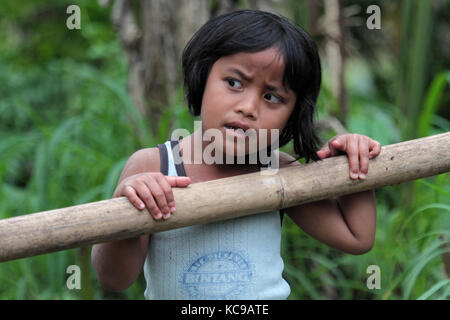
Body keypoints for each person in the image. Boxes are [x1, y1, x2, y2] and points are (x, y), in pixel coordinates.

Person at [91, 9, 382, 300]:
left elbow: (356, 237)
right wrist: (126, 205)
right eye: (234, 83)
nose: (248, 107)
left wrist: (355, 164)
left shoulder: (279, 171)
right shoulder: (155, 166)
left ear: (292, 116)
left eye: (272, 97)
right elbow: (114, 279)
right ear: (202, 77)